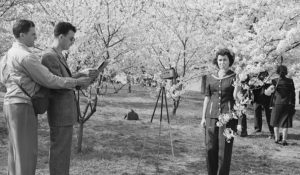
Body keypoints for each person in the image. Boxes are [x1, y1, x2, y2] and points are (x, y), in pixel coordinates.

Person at [0, 19, 91, 175]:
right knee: (26, 154)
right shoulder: (26, 56)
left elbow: (3, 79)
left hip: (10, 103)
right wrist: (76, 81)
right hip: (22, 105)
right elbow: (49, 79)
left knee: (15, 153)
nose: (36, 38)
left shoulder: (8, 54)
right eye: (33, 34)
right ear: (22, 35)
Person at [41, 22, 99, 175]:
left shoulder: (59, 55)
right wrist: (78, 81)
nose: (73, 43)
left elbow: (64, 79)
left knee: (63, 153)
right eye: (71, 39)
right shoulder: (49, 56)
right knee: (59, 152)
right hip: (59, 112)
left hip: (65, 112)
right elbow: (56, 83)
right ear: (61, 37)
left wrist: (82, 74)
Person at [201, 48, 239, 175]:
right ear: (217, 61)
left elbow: (236, 97)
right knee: (210, 148)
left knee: (225, 150)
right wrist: (203, 118)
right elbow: (207, 98)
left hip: (228, 118)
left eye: (225, 60)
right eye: (220, 60)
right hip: (211, 117)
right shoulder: (210, 78)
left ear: (230, 61)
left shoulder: (235, 76)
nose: (222, 62)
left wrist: (238, 86)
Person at [270, 65, 295, 146]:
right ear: (286, 71)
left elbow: (272, 94)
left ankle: (277, 139)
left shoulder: (274, 81)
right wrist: (293, 104)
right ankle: (284, 140)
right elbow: (293, 94)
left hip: (277, 103)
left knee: (276, 121)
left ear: (277, 72)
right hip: (287, 103)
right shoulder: (290, 81)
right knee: (285, 123)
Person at [252, 71, 274, 138]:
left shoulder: (267, 74)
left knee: (268, 114)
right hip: (257, 96)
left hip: (267, 96)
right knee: (256, 111)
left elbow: (270, 85)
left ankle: (272, 130)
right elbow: (252, 85)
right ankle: (257, 128)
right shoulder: (254, 74)